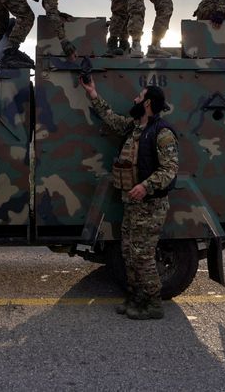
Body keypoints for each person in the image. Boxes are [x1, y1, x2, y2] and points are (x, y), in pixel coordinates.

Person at [80, 78, 179, 320]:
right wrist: (93, 93)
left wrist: (145, 186)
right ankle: (136, 298)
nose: (134, 99)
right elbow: (111, 119)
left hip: (150, 205)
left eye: (139, 96)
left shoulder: (162, 133)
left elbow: (170, 169)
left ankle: (153, 304)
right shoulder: (134, 128)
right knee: (129, 253)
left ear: (147, 103)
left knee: (143, 256)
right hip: (132, 204)